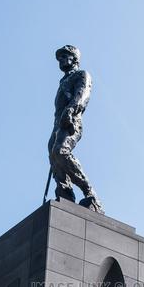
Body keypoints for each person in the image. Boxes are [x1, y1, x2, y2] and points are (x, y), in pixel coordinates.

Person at [47, 45, 103, 212]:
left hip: (72, 120)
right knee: (53, 155)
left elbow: (83, 94)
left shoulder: (81, 75)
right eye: (60, 58)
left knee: (60, 151)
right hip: (58, 124)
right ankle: (65, 193)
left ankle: (90, 194)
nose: (62, 60)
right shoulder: (62, 82)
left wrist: (71, 110)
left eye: (65, 56)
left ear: (74, 58)